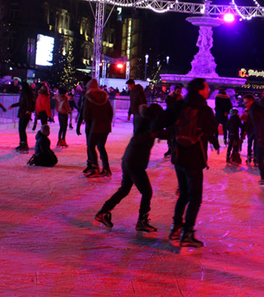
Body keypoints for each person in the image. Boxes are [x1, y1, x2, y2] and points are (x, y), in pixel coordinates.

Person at [159, 78, 218, 248]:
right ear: (200, 90)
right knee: (195, 197)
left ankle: (176, 228)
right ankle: (187, 233)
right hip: (195, 158)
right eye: (207, 87)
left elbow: (161, 120)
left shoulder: (179, 106)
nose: (208, 90)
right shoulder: (204, 109)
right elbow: (212, 128)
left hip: (179, 157)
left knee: (183, 194)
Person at [94, 103, 165, 232]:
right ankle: (142, 221)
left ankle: (103, 212)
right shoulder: (145, 126)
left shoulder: (147, 123)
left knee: (124, 190)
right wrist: (151, 134)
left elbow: (162, 133)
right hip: (134, 164)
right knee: (147, 192)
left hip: (129, 161)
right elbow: (141, 137)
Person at [82, 79, 114, 177]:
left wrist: (89, 123)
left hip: (95, 126)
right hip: (106, 126)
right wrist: (108, 121)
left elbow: (85, 114)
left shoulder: (88, 98)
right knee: (101, 147)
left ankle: (95, 168)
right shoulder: (105, 97)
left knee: (91, 146)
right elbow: (111, 112)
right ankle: (106, 168)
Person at [244, 94, 264, 185]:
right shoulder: (261, 107)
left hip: (262, 137)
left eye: (246, 102)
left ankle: (263, 178)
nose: (245, 104)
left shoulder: (253, 110)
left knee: (259, 158)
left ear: (251, 101)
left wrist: (258, 138)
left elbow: (257, 125)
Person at [9, 81, 35, 152]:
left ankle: (24, 144)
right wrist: (13, 105)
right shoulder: (23, 94)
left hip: (25, 114)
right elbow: (21, 103)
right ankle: (22, 143)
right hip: (22, 113)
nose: (20, 88)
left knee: (22, 129)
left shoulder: (27, 94)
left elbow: (29, 102)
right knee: (21, 129)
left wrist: (28, 110)